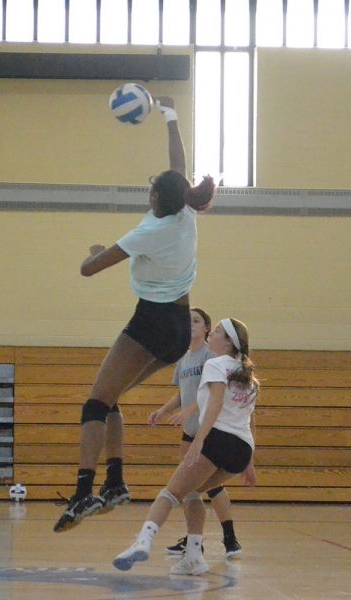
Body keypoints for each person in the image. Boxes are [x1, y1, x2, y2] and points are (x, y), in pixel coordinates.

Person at [53, 97, 217, 533]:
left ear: (154, 197)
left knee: (94, 403)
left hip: (150, 322)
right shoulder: (186, 213)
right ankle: (116, 484)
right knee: (112, 400)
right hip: (180, 329)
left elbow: (89, 269)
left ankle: (84, 491)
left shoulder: (148, 230)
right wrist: (170, 116)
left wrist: (93, 251)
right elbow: (178, 163)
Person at [113, 318, 258, 576]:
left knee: (170, 493)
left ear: (227, 343)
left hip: (218, 439)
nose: (212, 335)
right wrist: (249, 463)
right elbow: (249, 419)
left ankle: (142, 541)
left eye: (216, 332)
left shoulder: (215, 364)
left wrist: (200, 439)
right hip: (242, 449)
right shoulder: (249, 377)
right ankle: (193, 556)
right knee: (192, 493)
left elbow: (213, 405)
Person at [148, 307, 244, 558]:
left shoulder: (209, 357)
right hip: (189, 432)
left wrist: (191, 410)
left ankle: (230, 538)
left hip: (209, 431)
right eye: (186, 320)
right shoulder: (184, 358)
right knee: (188, 488)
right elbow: (183, 392)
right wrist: (163, 410)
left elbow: (214, 395)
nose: (190, 325)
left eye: (196, 321)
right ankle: (194, 540)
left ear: (207, 329)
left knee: (209, 488)